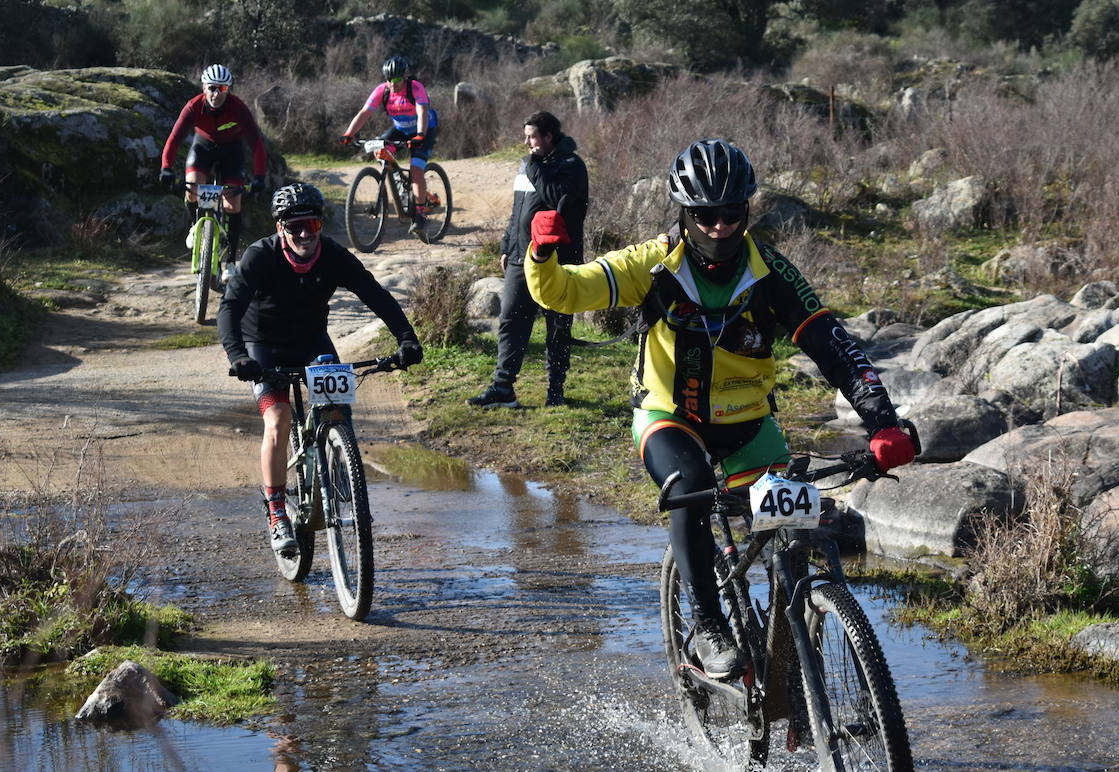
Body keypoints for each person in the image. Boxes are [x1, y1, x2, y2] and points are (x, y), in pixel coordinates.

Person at [522, 138, 917, 678]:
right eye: (705, 213)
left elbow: (834, 346)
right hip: (669, 417)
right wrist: (542, 256)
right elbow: (565, 292)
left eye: (731, 212)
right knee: (685, 491)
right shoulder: (653, 264)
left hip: (748, 424)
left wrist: (882, 421)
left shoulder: (771, 272)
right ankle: (708, 625)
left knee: (795, 535)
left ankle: (794, 662)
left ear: (747, 209)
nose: (719, 224)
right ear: (685, 213)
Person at [218, 183, 425, 556]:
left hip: (313, 341)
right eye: (294, 226)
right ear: (280, 228)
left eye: (311, 226)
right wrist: (238, 357)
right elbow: (229, 309)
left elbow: (375, 294)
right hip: (263, 347)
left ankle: (340, 465)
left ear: (320, 227)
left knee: (337, 411)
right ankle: (277, 512)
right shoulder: (259, 256)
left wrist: (406, 339)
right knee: (278, 420)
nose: (303, 235)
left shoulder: (332, 255)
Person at [468, 111, 589, 409]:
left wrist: (535, 167)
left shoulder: (572, 166)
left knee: (557, 326)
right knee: (510, 319)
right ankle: (503, 388)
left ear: (549, 137)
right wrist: (507, 244)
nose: (527, 143)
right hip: (521, 258)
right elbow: (517, 209)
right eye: (526, 136)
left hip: (558, 260)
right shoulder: (529, 164)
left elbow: (557, 201)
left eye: (532, 137)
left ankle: (555, 391)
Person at [160, 63, 269, 283]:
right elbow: (174, 139)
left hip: (232, 151)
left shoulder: (238, 108)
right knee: (192, 187)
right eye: (211, 87)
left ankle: (229, 262)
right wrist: (166, 168)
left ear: (229, 89)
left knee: (233, 203)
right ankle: (194, 226)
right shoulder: (193, 107)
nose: (215, 93)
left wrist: (259, 176)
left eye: (222, 89)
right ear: (203, 87)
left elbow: (256, 144)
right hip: (203, 148)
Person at [339, 54, 439, 223]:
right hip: (400, 129)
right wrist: (349, 134)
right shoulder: (382, 90)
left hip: (425, 129)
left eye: (398, 79)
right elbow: (365, 113)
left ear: (405, 77)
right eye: (389, 79)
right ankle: (400, 181)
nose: (393, 84)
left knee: (416, 169)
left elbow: (422, 112)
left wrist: (420, 135)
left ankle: (420, 213)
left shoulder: (415, 88)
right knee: (381, 151)